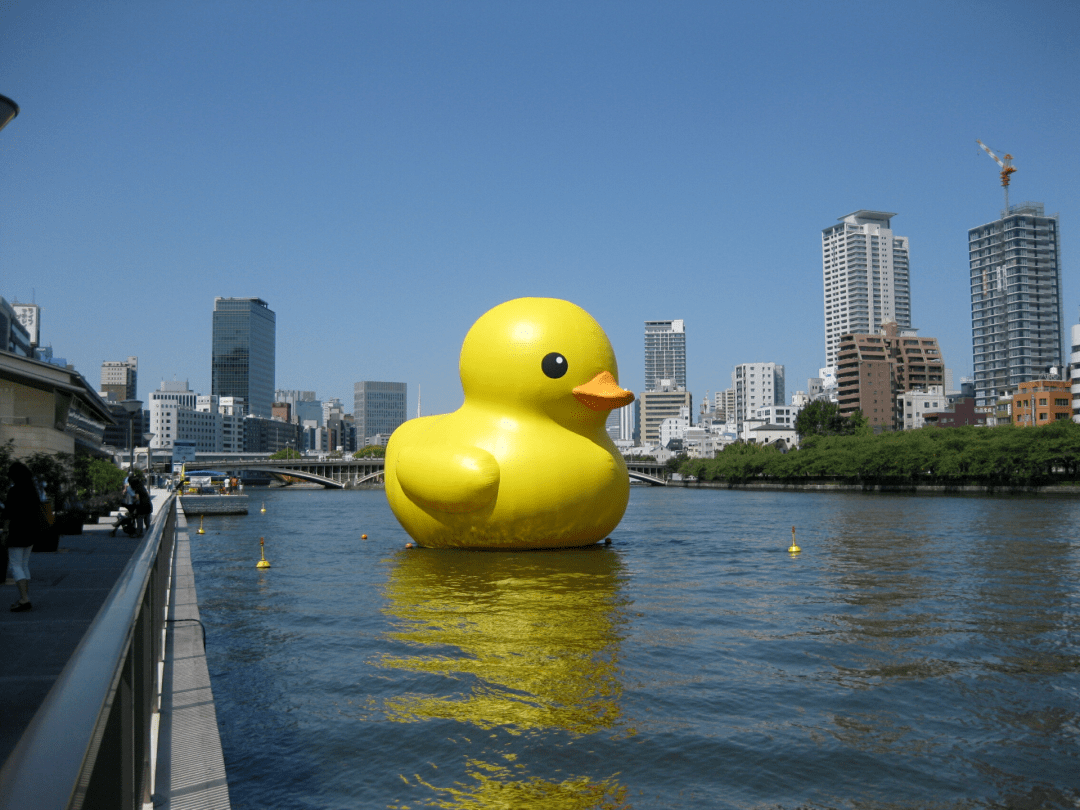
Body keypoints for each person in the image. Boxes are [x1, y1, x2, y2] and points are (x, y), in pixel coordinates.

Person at [5, 461, 49, 612]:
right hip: (30, 532)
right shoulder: (32, 490)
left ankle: (24, 598)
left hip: (17, 531)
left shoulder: (13, 491)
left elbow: (8, 514)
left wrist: (5, 531)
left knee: (15, 565)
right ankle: (25, 597)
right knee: (23, 564)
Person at [128, 471, 152, 537]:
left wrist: (133, 503)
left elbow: (137, 499)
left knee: (139, 520)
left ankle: (138, 533)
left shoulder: (137, 490)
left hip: (142, 507)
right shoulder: (143, 488)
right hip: (148, 506)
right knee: (147, 522)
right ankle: (150, 534)